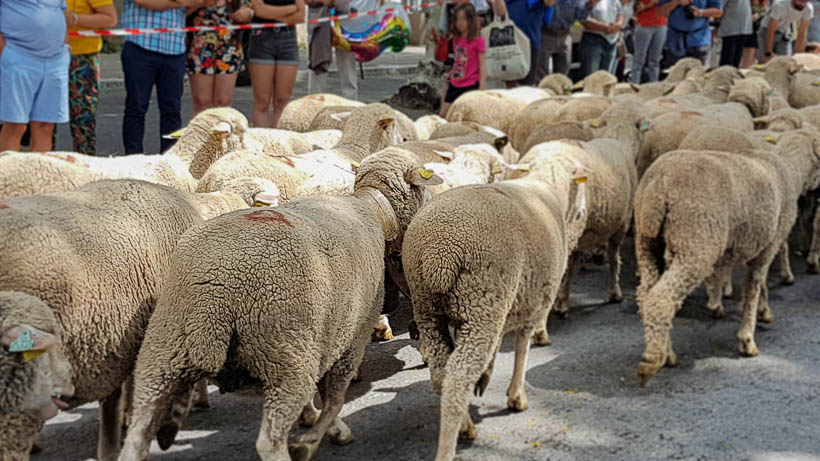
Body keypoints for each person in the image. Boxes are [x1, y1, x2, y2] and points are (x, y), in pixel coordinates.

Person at [121, 0, 209, 155]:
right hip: (140, 45)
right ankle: (132, 159)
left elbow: (191, 6)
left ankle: (170, 159)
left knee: (172, 110)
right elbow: (147, 2)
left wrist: (183, 3)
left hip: (174, 48)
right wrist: (181, 2)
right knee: (136, 107)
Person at [0, 0, 71, 153]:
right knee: (15, 125)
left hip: (56, 60)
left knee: (45, 125)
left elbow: (61, 12)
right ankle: (5, 176)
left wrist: (66, 49)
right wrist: (4, 52)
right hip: (18, 56)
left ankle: (38, 176)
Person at [65, 0, 118, 155]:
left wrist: (74, 19)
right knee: (43, 123)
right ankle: (43, 173)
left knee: (83, 121)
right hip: (46, 55)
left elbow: (110, 18)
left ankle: (85, 171)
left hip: (83, 59)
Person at [186, 0, 254, 116]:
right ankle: (201, 132)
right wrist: (200, 3)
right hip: (200, 46)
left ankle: (222, 133)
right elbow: (181, 11)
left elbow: (250, 10)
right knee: (202, 103)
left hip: (229, 46)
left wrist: (246, 13)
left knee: (223, 103)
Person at [247, 0, 306, 128]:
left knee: (282, 101)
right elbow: (260, 11)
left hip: (288, 39)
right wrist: (291, 9)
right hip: (261, 37)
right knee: (262, 101)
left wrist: (269, 13)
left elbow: (301, 16)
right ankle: (261, 143)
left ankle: (279, 144)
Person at [306, 0, 377, 101]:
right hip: (320, 21)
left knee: (348, 70)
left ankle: (351, 107)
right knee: (318, 65)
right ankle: (313, 107)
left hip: (347, 21)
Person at [440, 3, 487, 117]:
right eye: (457, 19)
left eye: (463, 19)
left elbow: (482, 64)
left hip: (470, 84)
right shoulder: (456, 39)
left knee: (469, 115)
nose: (460, 23)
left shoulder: (478, 40)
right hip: (455, 82)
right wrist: (451, 74)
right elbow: (458, 60)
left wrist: (482, 85)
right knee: (443, 114)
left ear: (471, 20)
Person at [497, 0, 556, 87]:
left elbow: (549, 4)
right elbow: (499, 13)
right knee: (510, 83)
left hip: (530, 42)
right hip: (510, 41)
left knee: (528, 86)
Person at [537, 0, 599, 79]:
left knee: (563, 76)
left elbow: (581, 17)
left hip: (565, 35)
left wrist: (590, 5)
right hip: (545, 34)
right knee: (540, 75)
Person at [658, 0, 723, 66]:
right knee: (675, 74)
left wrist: (700, 12)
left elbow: (719, 12)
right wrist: (676, 2)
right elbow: (660, 12)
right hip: (675, 41)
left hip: (700, 40)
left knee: (699, 73)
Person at [579, 0, 625, 78]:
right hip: (593, 41)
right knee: (591, 78)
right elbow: (584, 20)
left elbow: (620, 15)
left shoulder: (616, 1)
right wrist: (607, 27)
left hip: (611, 43)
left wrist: (618, 25)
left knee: (605, 79)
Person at [632, 0, 668, 83]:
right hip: (644, 24)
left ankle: (653, 85)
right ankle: (634, 84)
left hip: (661, 24)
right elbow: (637, 8)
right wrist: (650, 4)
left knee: (655, 59)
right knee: (639, 58)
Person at [718, 0, 753, 66]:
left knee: (737, 60)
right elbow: (718, 7)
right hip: (730, 29)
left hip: (744, 29)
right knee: (727, 62)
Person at [740, 0, 768, 67]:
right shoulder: (747, 3)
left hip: (759, 33)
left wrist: (762, 14)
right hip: (749, 32)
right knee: (748, 59)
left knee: (755, 58)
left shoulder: (764, 3)